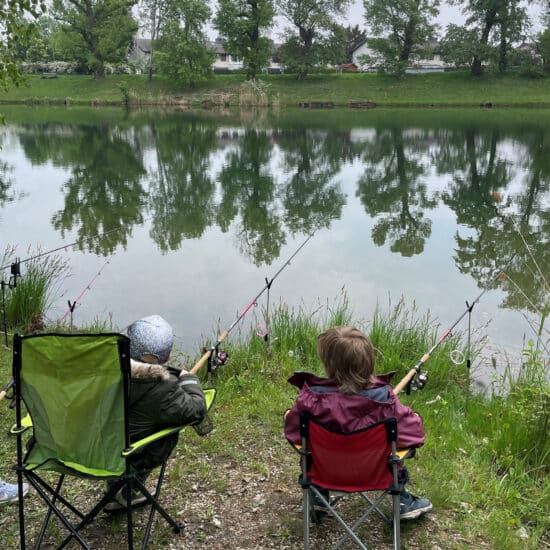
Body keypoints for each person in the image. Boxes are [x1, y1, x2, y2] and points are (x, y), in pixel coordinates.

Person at [284, 326, 432, 521]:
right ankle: (403, 501)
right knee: (397, 456)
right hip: (376, 475)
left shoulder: (310, 400)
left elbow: (294, 434)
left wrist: (289, 416)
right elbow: (415, 435)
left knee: (311, 451)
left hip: (323, 473)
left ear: (329, 364)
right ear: (369, 362)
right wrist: (413, 418)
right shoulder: (386, 401)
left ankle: (318, 496)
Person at [106, 315, 207, 511]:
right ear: (167, 358)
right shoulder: (163, 389)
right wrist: (189, 379)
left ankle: (113, 486)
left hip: (73, 453)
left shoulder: (100, 372)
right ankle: (127, 488)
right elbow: (196, 410)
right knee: (165, 434)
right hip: (122, 457)